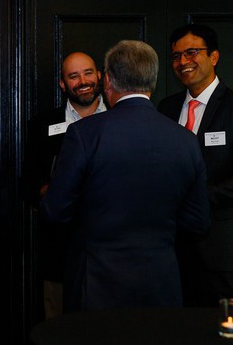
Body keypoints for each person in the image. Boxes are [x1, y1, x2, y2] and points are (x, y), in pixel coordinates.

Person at [40, 40, 210, 313]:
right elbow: (197, 221)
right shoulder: (186, 140)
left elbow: (54, 210)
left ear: (107, 80)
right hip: (161, 282)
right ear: (152, 82)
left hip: (98, 283)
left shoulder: (84, 134)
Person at [157, 24, 233, 307]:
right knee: (177, 324)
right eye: (176, 56)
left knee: (223, 326)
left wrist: (196, 197)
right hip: (172, 246)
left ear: (214, 57)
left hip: (221, 248)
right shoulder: (166, 109)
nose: (183, 61)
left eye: (191, 52)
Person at [22, 51, 108, 322]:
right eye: (73, 76)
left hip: (111, 252)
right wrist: (53, 192)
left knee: (110, 330)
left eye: (88, 73)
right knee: (59, 329)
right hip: (59, 251)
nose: (83, 81)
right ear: (62, 84)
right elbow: (29, 184)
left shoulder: (119, 118)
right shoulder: (42, 125)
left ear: (100, 76)